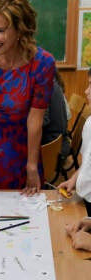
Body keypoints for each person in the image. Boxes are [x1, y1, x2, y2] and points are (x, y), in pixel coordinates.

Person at [0, 0, 55, 194]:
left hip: (19, 143)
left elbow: (35, 119)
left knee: (20, 206)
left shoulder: (42, 64)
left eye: (0, 30)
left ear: (20, 30)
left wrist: (31, 165)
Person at [58, 68, 91, 216]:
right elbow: (86, 163)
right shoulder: (90, 122)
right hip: (84, 197)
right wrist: (74, 178)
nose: (86, 91)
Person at [42, 69, 70, 159]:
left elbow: (44, 121)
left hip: (53, 147)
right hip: (61, 141)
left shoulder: (44, 87)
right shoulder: (54, 85)